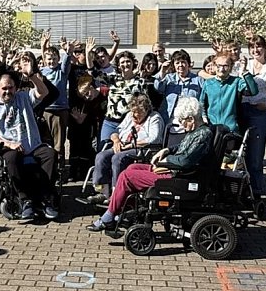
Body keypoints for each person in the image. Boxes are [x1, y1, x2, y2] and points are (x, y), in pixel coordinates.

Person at [86, 97, 213, 231]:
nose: (182, 125)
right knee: (133, 167)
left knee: (127, 176)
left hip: (177, 176)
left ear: (191, 119)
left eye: (182, 121)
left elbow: (185, 161)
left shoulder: (202, 135)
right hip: (174, 170)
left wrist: (166, 161)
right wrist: (167, 150)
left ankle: (109, 217)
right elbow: (182, 147)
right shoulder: (196, 132)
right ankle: (124, 210)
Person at [0, 71, 58, 219]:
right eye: (4, 88)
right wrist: (9, 144)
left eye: (10, 88)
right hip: (8, 146)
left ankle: (45, 198)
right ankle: (25, 200)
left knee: (50, 154)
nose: (7, 91)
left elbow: (43, 92)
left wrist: (31, 75)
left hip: (32, 144)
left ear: (15, 88)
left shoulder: (24, 98)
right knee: (11, 159)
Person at [86, 94, 164, 205]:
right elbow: (116, 131)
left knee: (117, 158)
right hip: (122, 145)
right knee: (101, 156)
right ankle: (102, 192)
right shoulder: (129, 116)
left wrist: (131, 145)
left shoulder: (154, 118)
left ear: (146, 110)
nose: (134, 116)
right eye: (133, 112)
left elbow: (153, 139)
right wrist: (116, 140)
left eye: (138, 113)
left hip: (140, 149)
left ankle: (116, 193)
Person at [239, 35, 266, 197]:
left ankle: (256, 191)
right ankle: (239, 189)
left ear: (265, 48)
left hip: (260, 112)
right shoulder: (243, 64)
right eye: (252, 47)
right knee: (238, 153)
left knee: (256, 156)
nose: (256, 50)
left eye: (259, 46)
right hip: (241, 111)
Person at [87, 38, 145, 147]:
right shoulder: (113, 79)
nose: (125, 64)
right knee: (102, 150)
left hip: (127, 122)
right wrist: (89, 53)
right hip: (109, 122)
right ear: (118, 66)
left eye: (128, 61)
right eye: (122, 62)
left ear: (133, 63)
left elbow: (141, 104)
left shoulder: (140, 82)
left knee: (122, 151)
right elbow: (92, 72)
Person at [153, 50, 204, 148]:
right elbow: (158, 87)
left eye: (183, 62)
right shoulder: (169, 78)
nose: (180, 65)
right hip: (169, 120)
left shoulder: (198, 80)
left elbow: (203, 100)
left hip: (189, 121)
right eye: (177, 63)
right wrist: (162, 71)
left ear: (188, 64)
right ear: (173, 65)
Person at [199, 54, 258, 132]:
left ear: (231, 67)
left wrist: (245, 71)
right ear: (214, 66)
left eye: (225, 66)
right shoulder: (208, 83)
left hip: (231, 129)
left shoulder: (236, 82)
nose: (222, 69)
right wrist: (204, 118)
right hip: (212, 127)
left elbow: (253, 91)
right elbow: (202, 103)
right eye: (218, 66)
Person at [40, 31, 72, 154]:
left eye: (54, 59)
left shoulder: (61, 72)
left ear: (58, 59)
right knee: (46, 141)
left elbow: (66, 62)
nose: (51, 61)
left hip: (60, 109)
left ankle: (60, 167)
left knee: (59, 142)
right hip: (46, 110)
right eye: (49, 59)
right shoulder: (42, 71)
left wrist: (67, 52)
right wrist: (44, 45)